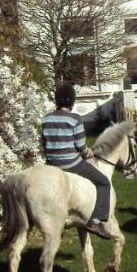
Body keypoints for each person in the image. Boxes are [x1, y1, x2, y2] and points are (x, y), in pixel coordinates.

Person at [41, 84, 114, 239]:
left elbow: (44, 143)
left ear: (57, 100)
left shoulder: (46, 119)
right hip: (71, 164)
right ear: (72, 101)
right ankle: (95, 221)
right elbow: (81, 147)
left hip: (51, 165)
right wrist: (90, 153)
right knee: (103, 182)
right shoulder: (75, 119)